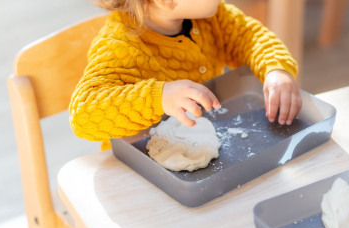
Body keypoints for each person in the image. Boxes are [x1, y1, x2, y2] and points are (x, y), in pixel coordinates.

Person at [69, 0, 302, 150]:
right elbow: (83, 115)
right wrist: (160, 97)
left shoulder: (213, 16)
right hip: (138, 169)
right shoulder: (120, 46)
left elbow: (249, 37)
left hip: (204, 144)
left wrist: (276, 69)